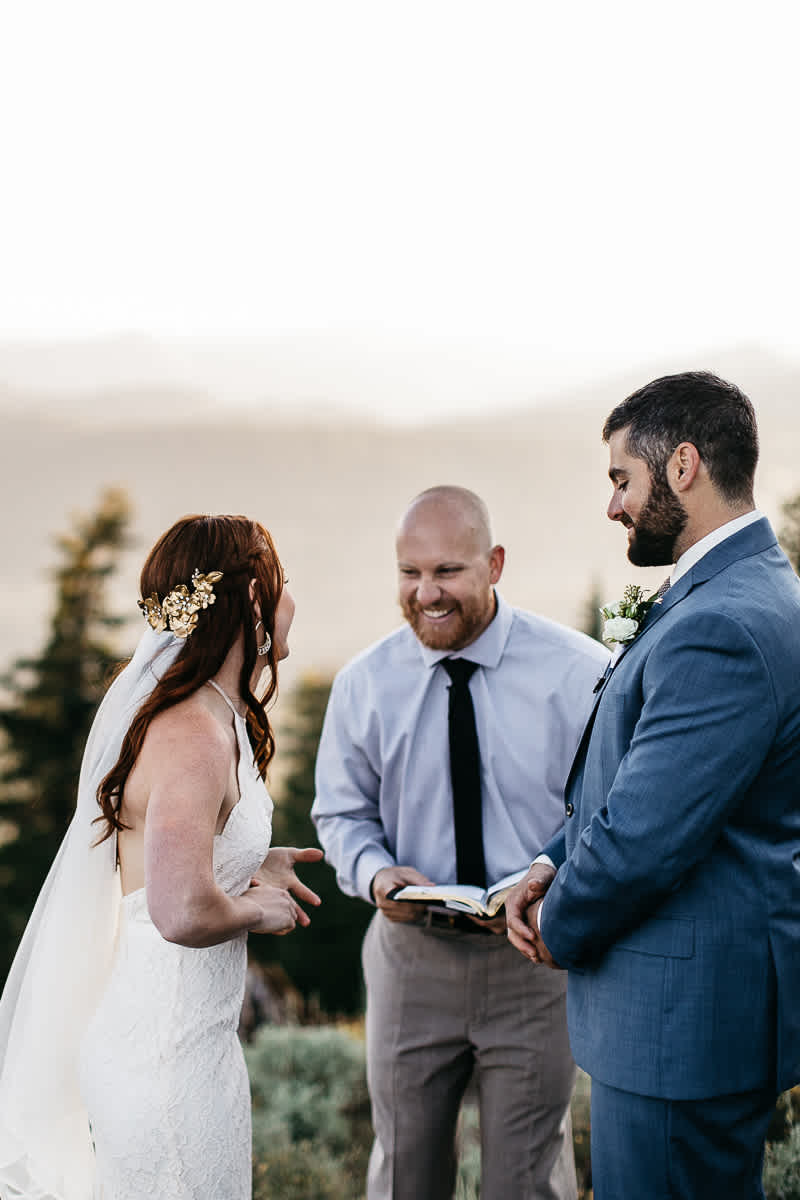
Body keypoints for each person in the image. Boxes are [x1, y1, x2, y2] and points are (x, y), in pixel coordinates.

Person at [507, 371, 800, 1199]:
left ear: (682, 467)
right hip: (683, 1013)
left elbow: (646, 833)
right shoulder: (726, 590)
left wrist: (556, 922)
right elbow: (640, 771)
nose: (613, 508)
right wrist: (548, 861)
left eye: (620, 480)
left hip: (682, 1023)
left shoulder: (726, 625)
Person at [0, 513, 323, 1199]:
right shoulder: (192, 736)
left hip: (190, 1050)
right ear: (254, 602)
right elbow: (178, 911)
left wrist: (251, 865)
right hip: (164, 1062)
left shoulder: (214, 714)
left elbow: (177, 856)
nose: (292, 599)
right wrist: (253, 911)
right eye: (283, 583)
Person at [312, 485, 608, 1200]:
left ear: (495, 564)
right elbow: (340, 815)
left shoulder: (579, 673)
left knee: (525, 1183)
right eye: (409, 574)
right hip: (410, 961)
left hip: (532, 962)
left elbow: (605, 811)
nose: (425, 593)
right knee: (406, 1176)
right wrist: (377, 876)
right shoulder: (364, 685)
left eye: (447, 571)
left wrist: (547, 882)